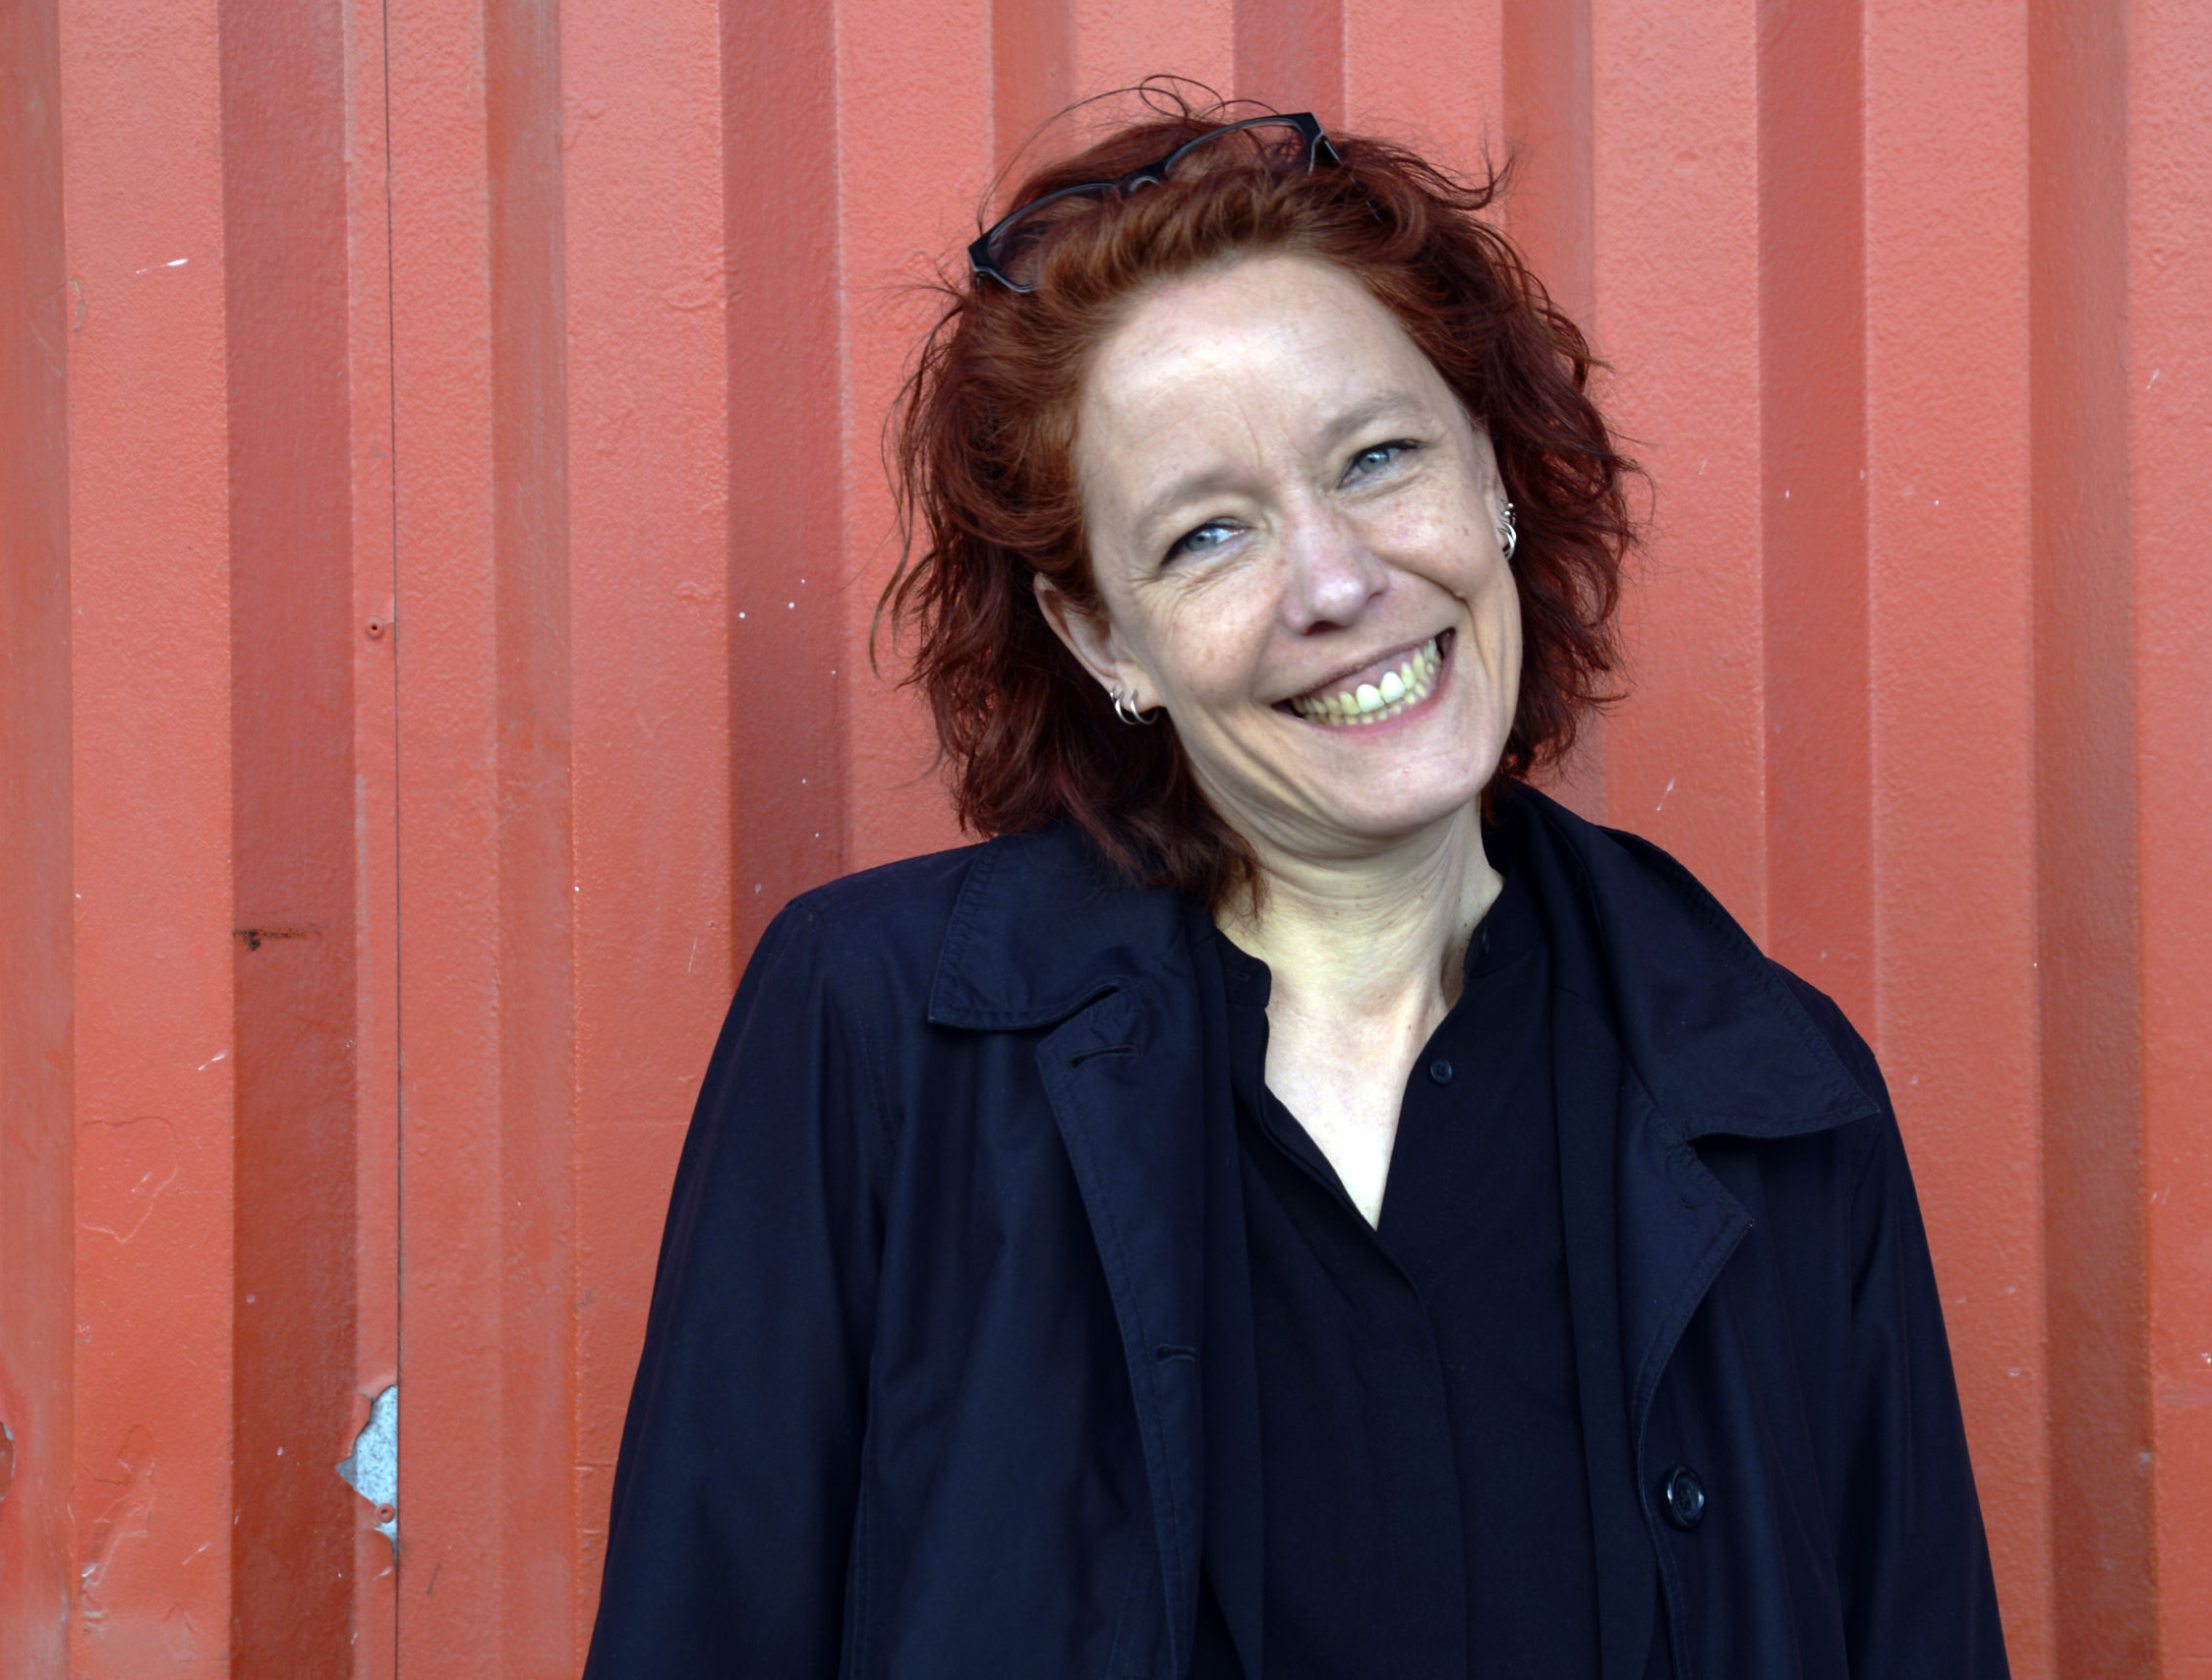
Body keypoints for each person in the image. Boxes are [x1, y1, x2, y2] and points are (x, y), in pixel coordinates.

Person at [584, 96, 2008, 1680]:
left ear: (1494, 475)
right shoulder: (879, 1035)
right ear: (1103, 636)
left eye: (1379, 457)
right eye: (1209, 535)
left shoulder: (1772, 1089)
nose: (1336, 582)